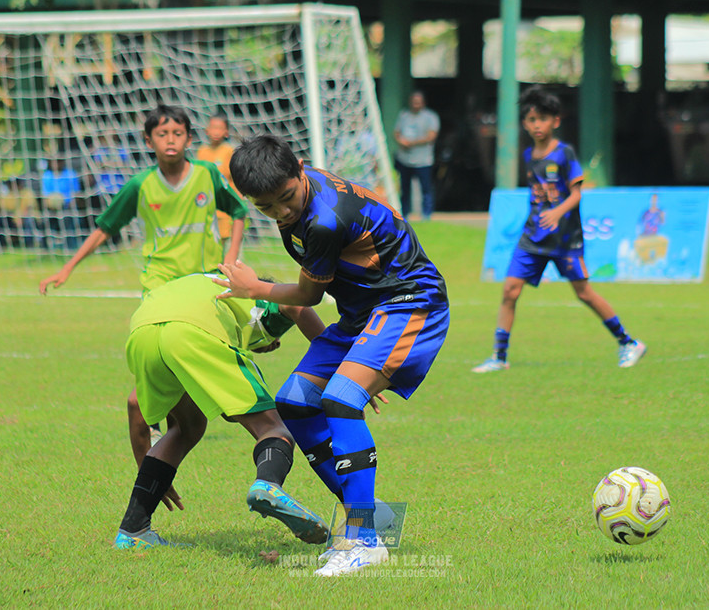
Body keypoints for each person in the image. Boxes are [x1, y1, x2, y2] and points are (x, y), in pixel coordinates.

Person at [214, 135, 450, 576]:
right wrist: (353, 368)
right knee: (296, 402)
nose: (282, 212)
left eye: (286, 197)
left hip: (410, 303)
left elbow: (307, 295)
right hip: (364, 315)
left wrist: (254, 288)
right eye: (266, 207)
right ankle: (371, 514)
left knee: (341, 399)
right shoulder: (300, 199)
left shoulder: (324, 219)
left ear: (301, 168)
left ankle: (363, 540)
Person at [39, 104, 249, 454]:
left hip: (201, 282)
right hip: (159, 284)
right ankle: (154, 420)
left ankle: (185, 416)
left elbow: (239, 210)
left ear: (189, 138)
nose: (171, 140)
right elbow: (106, 227)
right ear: (148, 140)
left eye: (178, 133)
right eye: (162, 134)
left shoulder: (208, 175)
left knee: (201, 350)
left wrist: (230, 257)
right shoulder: (141, 184)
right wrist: (68, 267)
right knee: (156, 351)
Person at [115, 273, 330, 549]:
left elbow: (135, 405)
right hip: (191, 331)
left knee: (187, 427)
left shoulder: (200, 286)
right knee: (273, 428)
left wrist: (151, 479)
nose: (267, 348)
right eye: (269, 345)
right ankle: (267, 484)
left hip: (141, 332)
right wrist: (341, 370)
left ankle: (133, 530)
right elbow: (297, 306)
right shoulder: (257, 294)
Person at [472, 88, 646, 373]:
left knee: (584, 293)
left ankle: (629, 343)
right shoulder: (529, 155)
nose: (536, 125)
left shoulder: (565, 154)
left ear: (555, 121)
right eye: (530, 119)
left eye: (542, 118)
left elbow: (576, 195)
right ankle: (499, 357)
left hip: (565, 239)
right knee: (510, 291)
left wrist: (556, 211)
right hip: (533, 236)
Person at [194, 113, 239, 250]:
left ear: (226, 132)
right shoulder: (202, 152)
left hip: (227, 210)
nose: (216, 132)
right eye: (213, 127)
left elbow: (236, 178)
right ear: (207, 130)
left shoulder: (229, 151)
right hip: (207, 208)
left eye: (219, 128)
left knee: (229, 251)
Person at [393, 90, 440, 221]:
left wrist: (412, 143)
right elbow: (396, 133)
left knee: (425, 188)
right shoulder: (404, 115)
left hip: (423, 160)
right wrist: (401, 141)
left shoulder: (431, 117)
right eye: (414, 102)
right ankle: (404, 214)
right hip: (405, 159)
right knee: (405, 189)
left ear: (423, 103)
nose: (416, 105)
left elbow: (431, 136)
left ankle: (426, 215)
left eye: (418, 102)